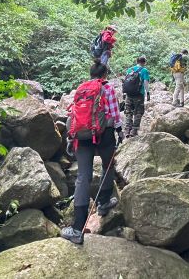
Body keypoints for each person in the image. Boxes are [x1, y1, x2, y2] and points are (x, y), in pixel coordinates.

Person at [61, 60, 124, 245]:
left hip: (82, 136)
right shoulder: (108, 88)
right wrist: (120, 132)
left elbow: (74, 115)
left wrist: (71, 138)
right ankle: (103, 203)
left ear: (90, 74)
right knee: (108, 165)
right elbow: (114, 114)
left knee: (83, 177)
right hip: (104, 135)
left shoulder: (81, 88)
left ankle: (76, 229)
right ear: (104, 75)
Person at [123, 55, 151, 137]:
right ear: (144, 62)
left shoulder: (130, 69)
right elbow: (145, 83)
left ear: (137, 61)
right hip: (139, 95)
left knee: (128, 112)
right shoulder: (144, 70)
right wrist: (148, 93)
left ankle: (127, 130)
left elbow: (126, 82)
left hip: (129, 94)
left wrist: (124, 94)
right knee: (138, 112)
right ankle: (134, 130)